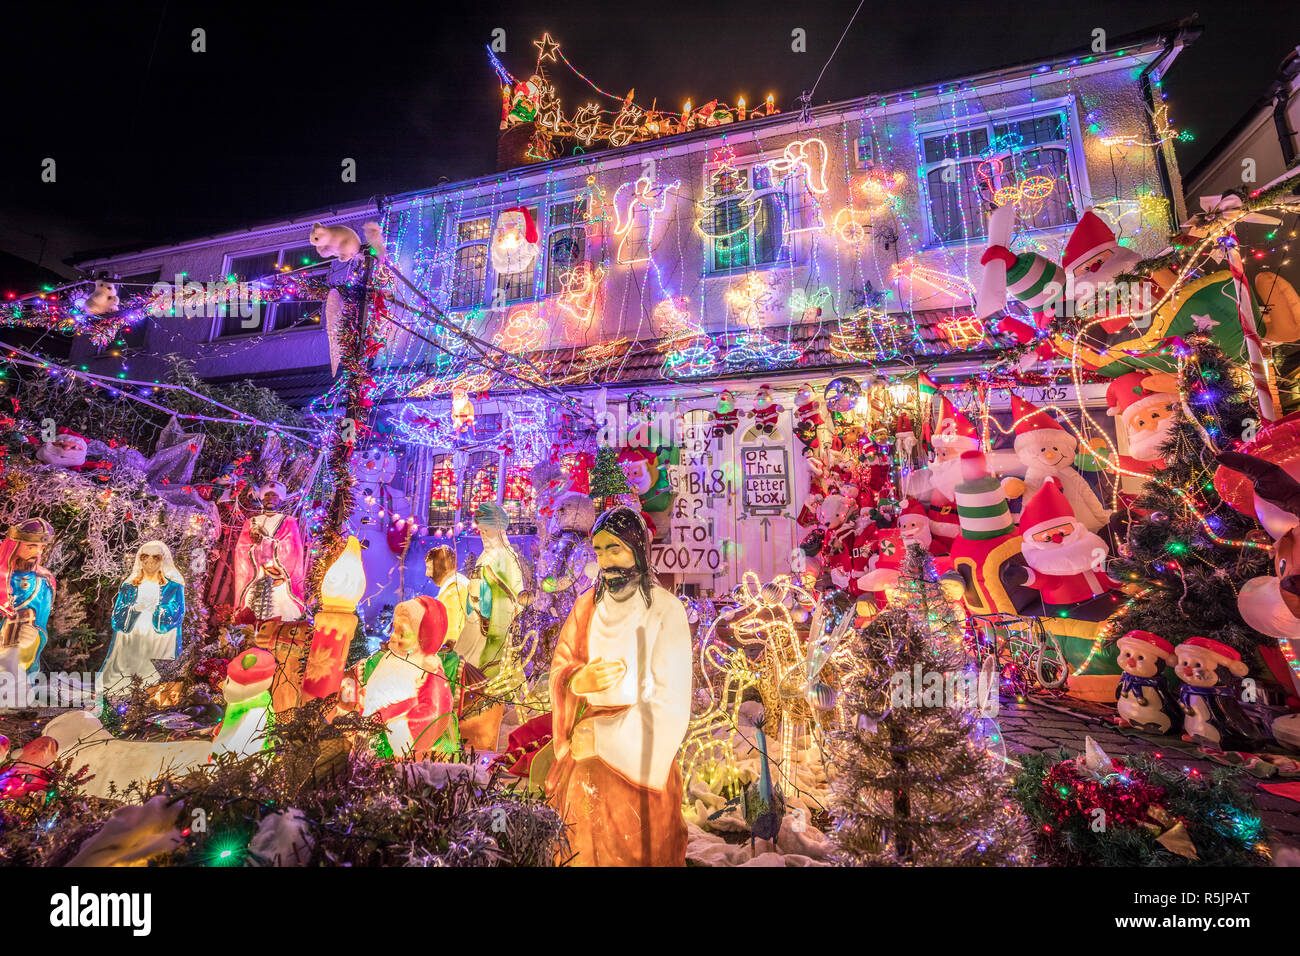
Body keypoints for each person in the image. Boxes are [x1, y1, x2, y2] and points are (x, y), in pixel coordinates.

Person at [545, 506, 692, 866]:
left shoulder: (665, 610)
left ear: (637, 549)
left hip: (638, 753)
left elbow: (670, 702)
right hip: (583, 739)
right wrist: (577, 680)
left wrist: (604, 736)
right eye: (598, 551)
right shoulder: (585, 607)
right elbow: (561, 665)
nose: (605, 560)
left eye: (615, 549)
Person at [100, 541, 186, 693]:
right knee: (131, 662)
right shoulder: (129, 586)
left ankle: (152, 688)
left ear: (163, 560)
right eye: (146, 558)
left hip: (159, 638)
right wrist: (134, 609)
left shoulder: (173, 587)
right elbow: (118, 613)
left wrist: (158, 610)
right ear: (140, 560)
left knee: (152, 666)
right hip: (132, 636)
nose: (150, 562)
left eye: (156, 558)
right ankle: (126, 685)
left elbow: (177, 611)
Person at [233, 481, 306, 622]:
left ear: (280, 499)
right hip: (256, 573)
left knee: (280, 605)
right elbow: (241, 549)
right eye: (267, 495)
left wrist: (268, 543)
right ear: (262, 498)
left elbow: (294, 549)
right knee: (252, 603)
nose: (270, 499)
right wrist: (255, 546)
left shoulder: (288, 521)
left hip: (280, 575)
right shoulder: (252, 522)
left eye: (274, 495)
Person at [0, 518, 56, 680]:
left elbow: (41, 622)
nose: (37, 553)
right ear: (14, 546)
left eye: (41, 548)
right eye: (31, 547)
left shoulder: (44, 581)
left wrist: (35, 636)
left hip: (20, 663)